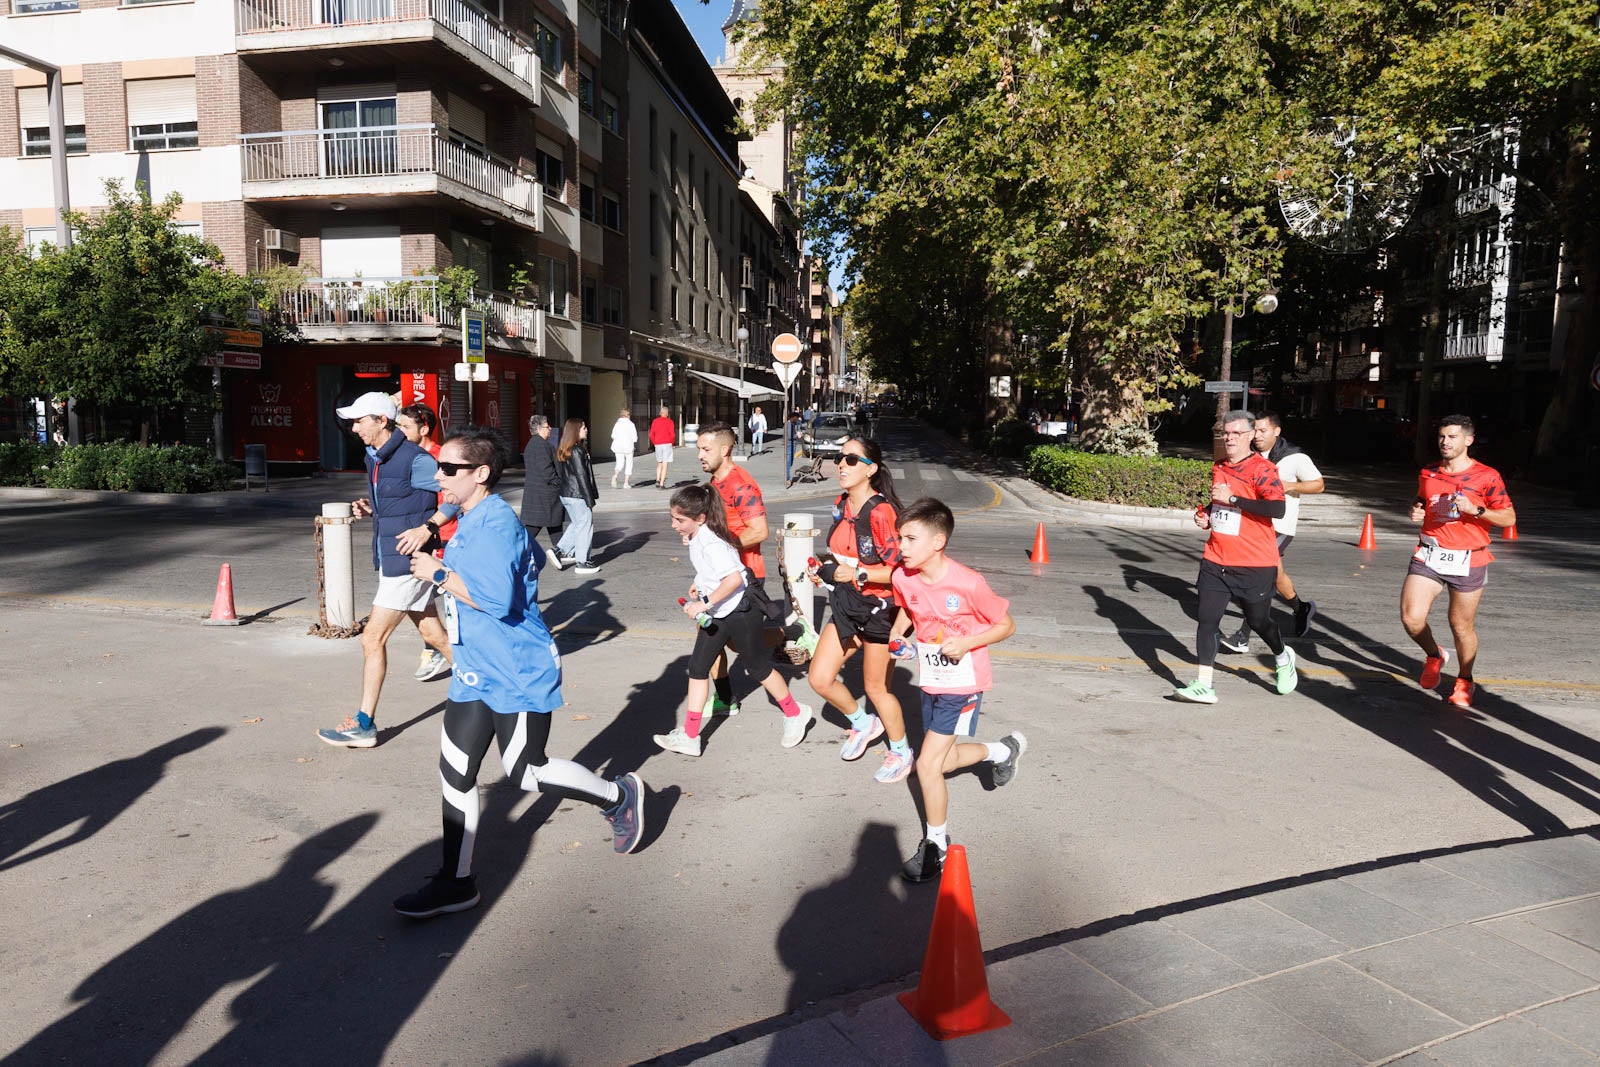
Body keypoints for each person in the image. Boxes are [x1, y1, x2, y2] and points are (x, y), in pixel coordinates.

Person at [392, 428, 644, 919]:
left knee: (527, 770)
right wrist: (432, 522)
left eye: (449, 470)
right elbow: (454, 509)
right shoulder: (472, 512)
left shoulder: (496, 526)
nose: (438, 477)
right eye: (438, 467)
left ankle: (618, 796)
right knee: (455, 773)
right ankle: (455, 882)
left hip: (516, 670)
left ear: (481, 474)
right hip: (473, 670)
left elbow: (495, 599)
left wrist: (437, 572)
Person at [888, 498, 1025, 882]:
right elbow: (909, 609)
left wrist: (966, 644)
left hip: (963, 682)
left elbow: (1006, 625)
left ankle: (936, 847)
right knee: (943, 764)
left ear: (938, 541)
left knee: (928, 765)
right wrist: (900, 633)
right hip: (932, 679)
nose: (902, 546)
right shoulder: (904, 576)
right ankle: (1003, 750)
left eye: (911, 538)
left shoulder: (968, 583)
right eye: (901, 537)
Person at [317, 392, 455, 749]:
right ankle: (490, 683)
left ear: (381, 420)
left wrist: (429, 528)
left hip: (408, 563)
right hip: (391, 557)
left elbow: (455, 495)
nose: (354, 427)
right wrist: (371, 508)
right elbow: (397, 503)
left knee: (371, 638)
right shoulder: (374, 458)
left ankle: (364, 723)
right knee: (434, 634)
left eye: (360, 419)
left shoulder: (416, 459)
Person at [652, 484, 814, 756]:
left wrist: (703, 603)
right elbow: (713, 572)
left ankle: (796, 713)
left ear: (700, 518)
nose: (673, 525)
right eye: (672, 518)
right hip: (720, 612)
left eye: (679, 520)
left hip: (740, 611)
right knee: (698, 668)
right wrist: (698, 583)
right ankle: (691, 736)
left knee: (758, 668)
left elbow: (734, 578)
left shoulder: (711, 541)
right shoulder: (697, 536)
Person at [805, 436, 914, 782]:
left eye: (852, 460)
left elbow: (902, 570)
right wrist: (823, 569)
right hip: (847, 603)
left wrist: (857, 573)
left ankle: (901, 752)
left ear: (871, 469)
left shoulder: (882, 512)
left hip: (880, 610)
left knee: (876, 689)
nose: (842, 464)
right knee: (819, 678)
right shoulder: (841, 504)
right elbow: (841, 556)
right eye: (840, 458)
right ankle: (864, 724)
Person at [1174, 409, 1299, 705]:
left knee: (1259, 621)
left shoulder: (1263, 469)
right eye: (1225, 434)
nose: (1229, 439)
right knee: (1207, 619)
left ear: (1251, 436)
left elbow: (1276, 509)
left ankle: (1282, 657)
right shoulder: (1219, 466)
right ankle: (1204, 685)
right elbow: (1219, 501)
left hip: (1255, 561)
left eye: (1236, 434)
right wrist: (1207, 513)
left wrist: (1233, 499)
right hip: (1216, 558)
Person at [1401, 414, 1516, 709]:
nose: (1445, 442)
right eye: (1441, 436)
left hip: (1469, 559)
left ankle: (1465, 678)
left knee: (1460, 626)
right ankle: (1434, 655)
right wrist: (1416, 509)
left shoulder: (1487, 476)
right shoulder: (1428, 471)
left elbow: (1509, 518)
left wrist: (1476, 510)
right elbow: (1421, 500)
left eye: (1452, 437)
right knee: (1412, 619)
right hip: (1430, 553)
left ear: (1468, 440)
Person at [693, 421, 786, 719]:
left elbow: (759, 531)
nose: (700, 455)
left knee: (739, 647)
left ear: (725, 448)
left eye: (705, 449)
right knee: (712, 636)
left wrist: (722, 550)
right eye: (698, 449)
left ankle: (790, 633)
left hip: (744, 577)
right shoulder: (714, 484)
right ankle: (725, 698)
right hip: (720, 577)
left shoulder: (740, 483)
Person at [1218, 411, 1325, 652]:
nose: (1257, 436)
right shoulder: (1250, 456)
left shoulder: (1294, 457)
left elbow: (1319, 484)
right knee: (1275, 575)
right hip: (1254, 526)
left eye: (1263, 431)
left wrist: (1290, 486)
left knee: (1258, 573)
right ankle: (1301, 608)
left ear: (1277, 431)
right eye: (1255, 431)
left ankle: (1243, 636)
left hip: (1280, 526)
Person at [396, 403, 456, 683]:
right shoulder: (408, 456)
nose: (400, 432)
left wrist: (432, 528)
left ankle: (441, 648)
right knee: (421, 598)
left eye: (405, 427)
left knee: (450, 599)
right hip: (425, 540)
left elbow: (452, 502)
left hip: (448, 538)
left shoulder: (438, 457)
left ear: (424, 428)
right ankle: (435, 646)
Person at [552, 418, 601, 574]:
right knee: (585, 526)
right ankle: (582, 562)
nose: (586, 430)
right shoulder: (577, 450)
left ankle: (559, 551)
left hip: (567, 493)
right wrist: (589, 499)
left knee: (578, 524)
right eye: (583, 428)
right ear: (575, 431)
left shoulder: (565, 449)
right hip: (577, 494)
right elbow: (581, 476)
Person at [519, 415, 565, 553]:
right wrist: (559, 483)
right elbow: (546, 471)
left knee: (554, 525)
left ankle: (562, 550)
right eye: (547, 426)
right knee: (534, 527)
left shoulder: (536, 444)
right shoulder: (540, 445)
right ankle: (515, 550)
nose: (550, 429)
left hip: (542, 495)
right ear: (539, 429)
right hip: (544, 496)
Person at [609, 406, 638, 489]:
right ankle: (626, 483)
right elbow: (635, 438)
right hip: (628, 447)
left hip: (617, 446)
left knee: (619, 463)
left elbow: (613, 435)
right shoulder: (631, 424)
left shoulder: (617, 424)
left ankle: (615, 475)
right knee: (629, 464)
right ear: (628, 415)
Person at [649, 404, 676, 489]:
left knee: (659, 462)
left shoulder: (655, 421)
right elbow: (672, 435)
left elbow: (651, 434)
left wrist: (655, 442)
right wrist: (672, 442)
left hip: (658, 444)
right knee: (665, 463)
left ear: (660, 413)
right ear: (667, 413)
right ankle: (661, 484)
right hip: (667, 444)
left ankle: (657, 480)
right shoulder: (670, 422)